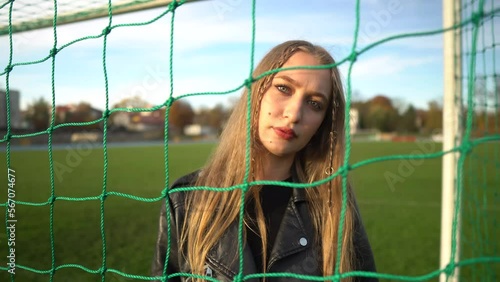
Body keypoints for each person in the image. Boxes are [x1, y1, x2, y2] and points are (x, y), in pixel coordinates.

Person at [152, 40, 377, 282]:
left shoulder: (333, 203)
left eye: (314, 104)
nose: (294, 114)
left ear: (323, 124)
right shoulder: (185, 199)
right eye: (284, 89)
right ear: (257, 90)